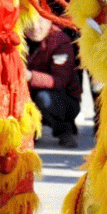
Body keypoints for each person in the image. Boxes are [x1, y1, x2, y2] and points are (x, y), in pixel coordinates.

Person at [25, 14, 83, 148]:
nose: (35, 28)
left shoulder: (60, 41)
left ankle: (64, 130)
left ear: (50, 21)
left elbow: (59, 81)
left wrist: (29, 76)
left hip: (63, 100)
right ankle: (31, 131)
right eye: (30, 22)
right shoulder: (19, 39)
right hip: (30, 95)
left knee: (44, 99)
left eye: (40, 23)